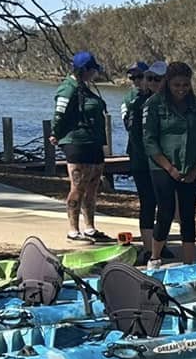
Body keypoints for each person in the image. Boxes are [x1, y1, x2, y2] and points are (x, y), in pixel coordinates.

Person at [144, 61, 196, 264]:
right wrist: (169, 168)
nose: (181, 89)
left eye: (185, 85)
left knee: (188, 214)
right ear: (168, 83)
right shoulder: (154, 104)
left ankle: (189, 262)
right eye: (177, 85)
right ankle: (154, 257)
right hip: (162, 166)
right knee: (166, 211)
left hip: (190, 167)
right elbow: (149, 140)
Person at [54, 49, 112, 242]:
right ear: (84, 69)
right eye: (93, 70)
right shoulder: (68, 88)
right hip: (77, 144)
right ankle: (73, 230)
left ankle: (90, 227)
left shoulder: (85, 88)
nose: (95, 74)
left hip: (94, 142)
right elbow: (59, 114)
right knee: (78, 186)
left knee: (93, 186)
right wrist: (56, 133)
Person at [120, 59, 160, 246]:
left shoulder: (163, 100)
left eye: (141, 76)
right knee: (148, 201)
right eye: (133, 77)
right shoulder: (134, 102)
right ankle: (148, 246)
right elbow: (132, 130)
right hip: (142, 159)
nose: (137, 80)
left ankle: (160, 241)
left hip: (161, 162)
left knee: (163, 202)